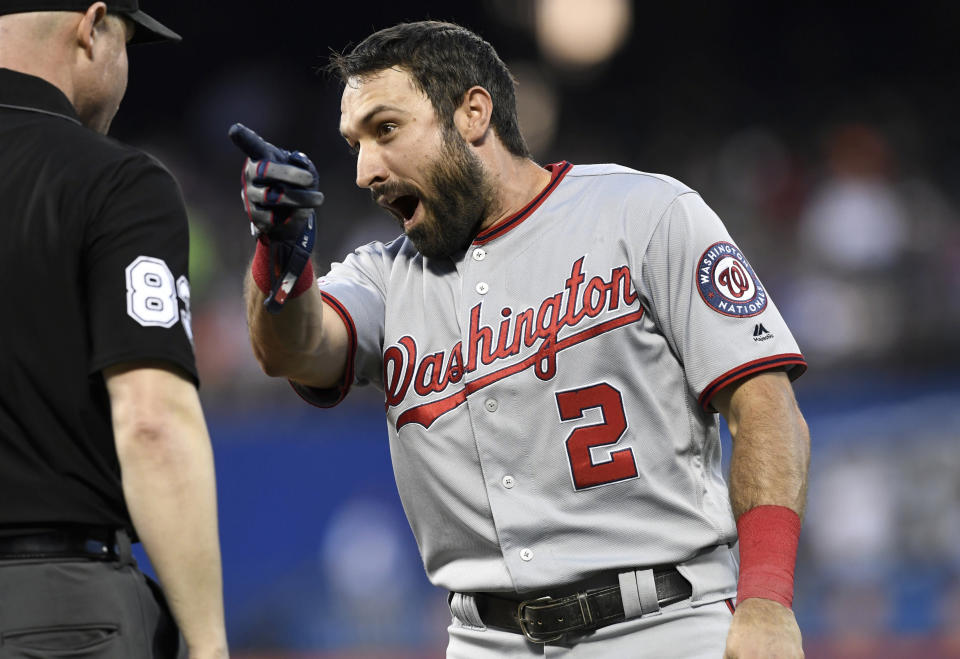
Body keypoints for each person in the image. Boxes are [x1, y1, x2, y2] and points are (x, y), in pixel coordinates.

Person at [231, 20, 810, 659]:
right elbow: (291, 349)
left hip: (664, 624)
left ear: (474, 113)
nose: (366, 169)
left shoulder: (643, 214)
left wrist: (765, 600)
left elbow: (765, 408)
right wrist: (278, 250)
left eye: (386, 129)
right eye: (355, 143)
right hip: (485, 641)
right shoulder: (385, 277)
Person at [0, 2, 228, 658]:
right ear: (92, 27)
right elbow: (151, 421)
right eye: (127, 42)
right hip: (54, 609)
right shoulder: (112, 181)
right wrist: (210, 645)